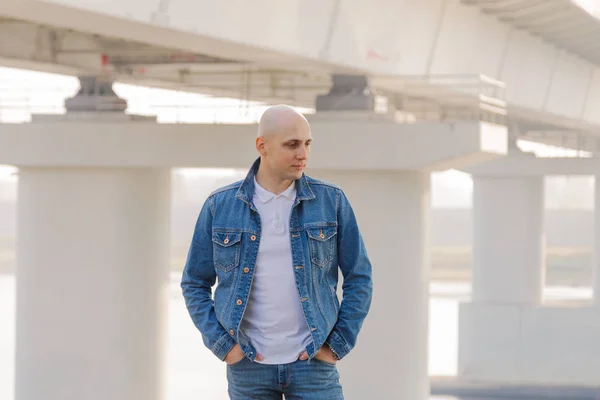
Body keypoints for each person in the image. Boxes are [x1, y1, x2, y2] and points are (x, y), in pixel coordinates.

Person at [181, 104, 373, 399]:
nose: (303, 154)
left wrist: (336, 345)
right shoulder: (220, 206)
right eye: (292, 144)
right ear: (262, 146)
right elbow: (194, 282)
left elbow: (359, 277)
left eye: (307, 144)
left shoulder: (331, 201)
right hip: (248, 366)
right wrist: (224, 347)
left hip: (313, 365)